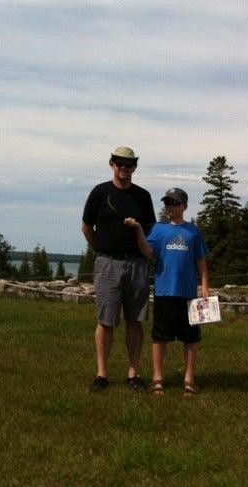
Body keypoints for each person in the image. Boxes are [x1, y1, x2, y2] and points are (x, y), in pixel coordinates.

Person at [81, 146, 156, 392]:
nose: (123, 168)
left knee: (136, 320)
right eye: (119, 163)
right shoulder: (100, 192)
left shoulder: (143, 197)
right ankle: (102, 375)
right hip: (107, 263)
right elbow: (86, 227)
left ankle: (133, 374)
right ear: (111, 164)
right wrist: (101, 250)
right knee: (106, 321)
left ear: (134, 167)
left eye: (128, 164)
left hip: (137, 264)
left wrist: (136, 231)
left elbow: (151, 231)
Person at [125, 187, 209, 397]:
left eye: (174, 202)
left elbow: (201, 261)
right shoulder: (159, 230)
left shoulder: (193, 231)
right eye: (167, 203)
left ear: (184, 206)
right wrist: (138, 230)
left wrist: (205, 286)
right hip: (164, 292)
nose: (170, 206)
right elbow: (148, 252)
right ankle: (157, 379)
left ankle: (189, 379)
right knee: (160, 337)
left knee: (191, 338)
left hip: (189, 293)